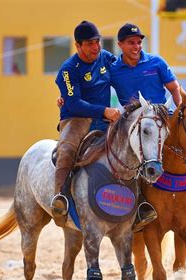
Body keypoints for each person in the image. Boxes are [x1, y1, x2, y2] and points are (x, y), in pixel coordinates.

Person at [110, 23, 186, 211]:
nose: (136, 46)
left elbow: (174, 88)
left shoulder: (156, 62)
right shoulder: (113, 70)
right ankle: (137, 204)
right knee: (128, 155)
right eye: (131, 43)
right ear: (120, 44)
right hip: (134, 124)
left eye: (138, 42)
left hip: (163, 118)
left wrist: (181, 111)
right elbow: (97, 87)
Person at [51, 21, 121, 226]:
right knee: (67, 149)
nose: (96, 47)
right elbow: (74, 103)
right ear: (78, 46)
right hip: (76, 118)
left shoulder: (106, 58)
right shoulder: (68, 70)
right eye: (90, 43)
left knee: (133, 144)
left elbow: (123, 73)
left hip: (106, 117)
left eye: (97, 42)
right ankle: (60, 197)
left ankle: (141, 202)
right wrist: (103, 111)